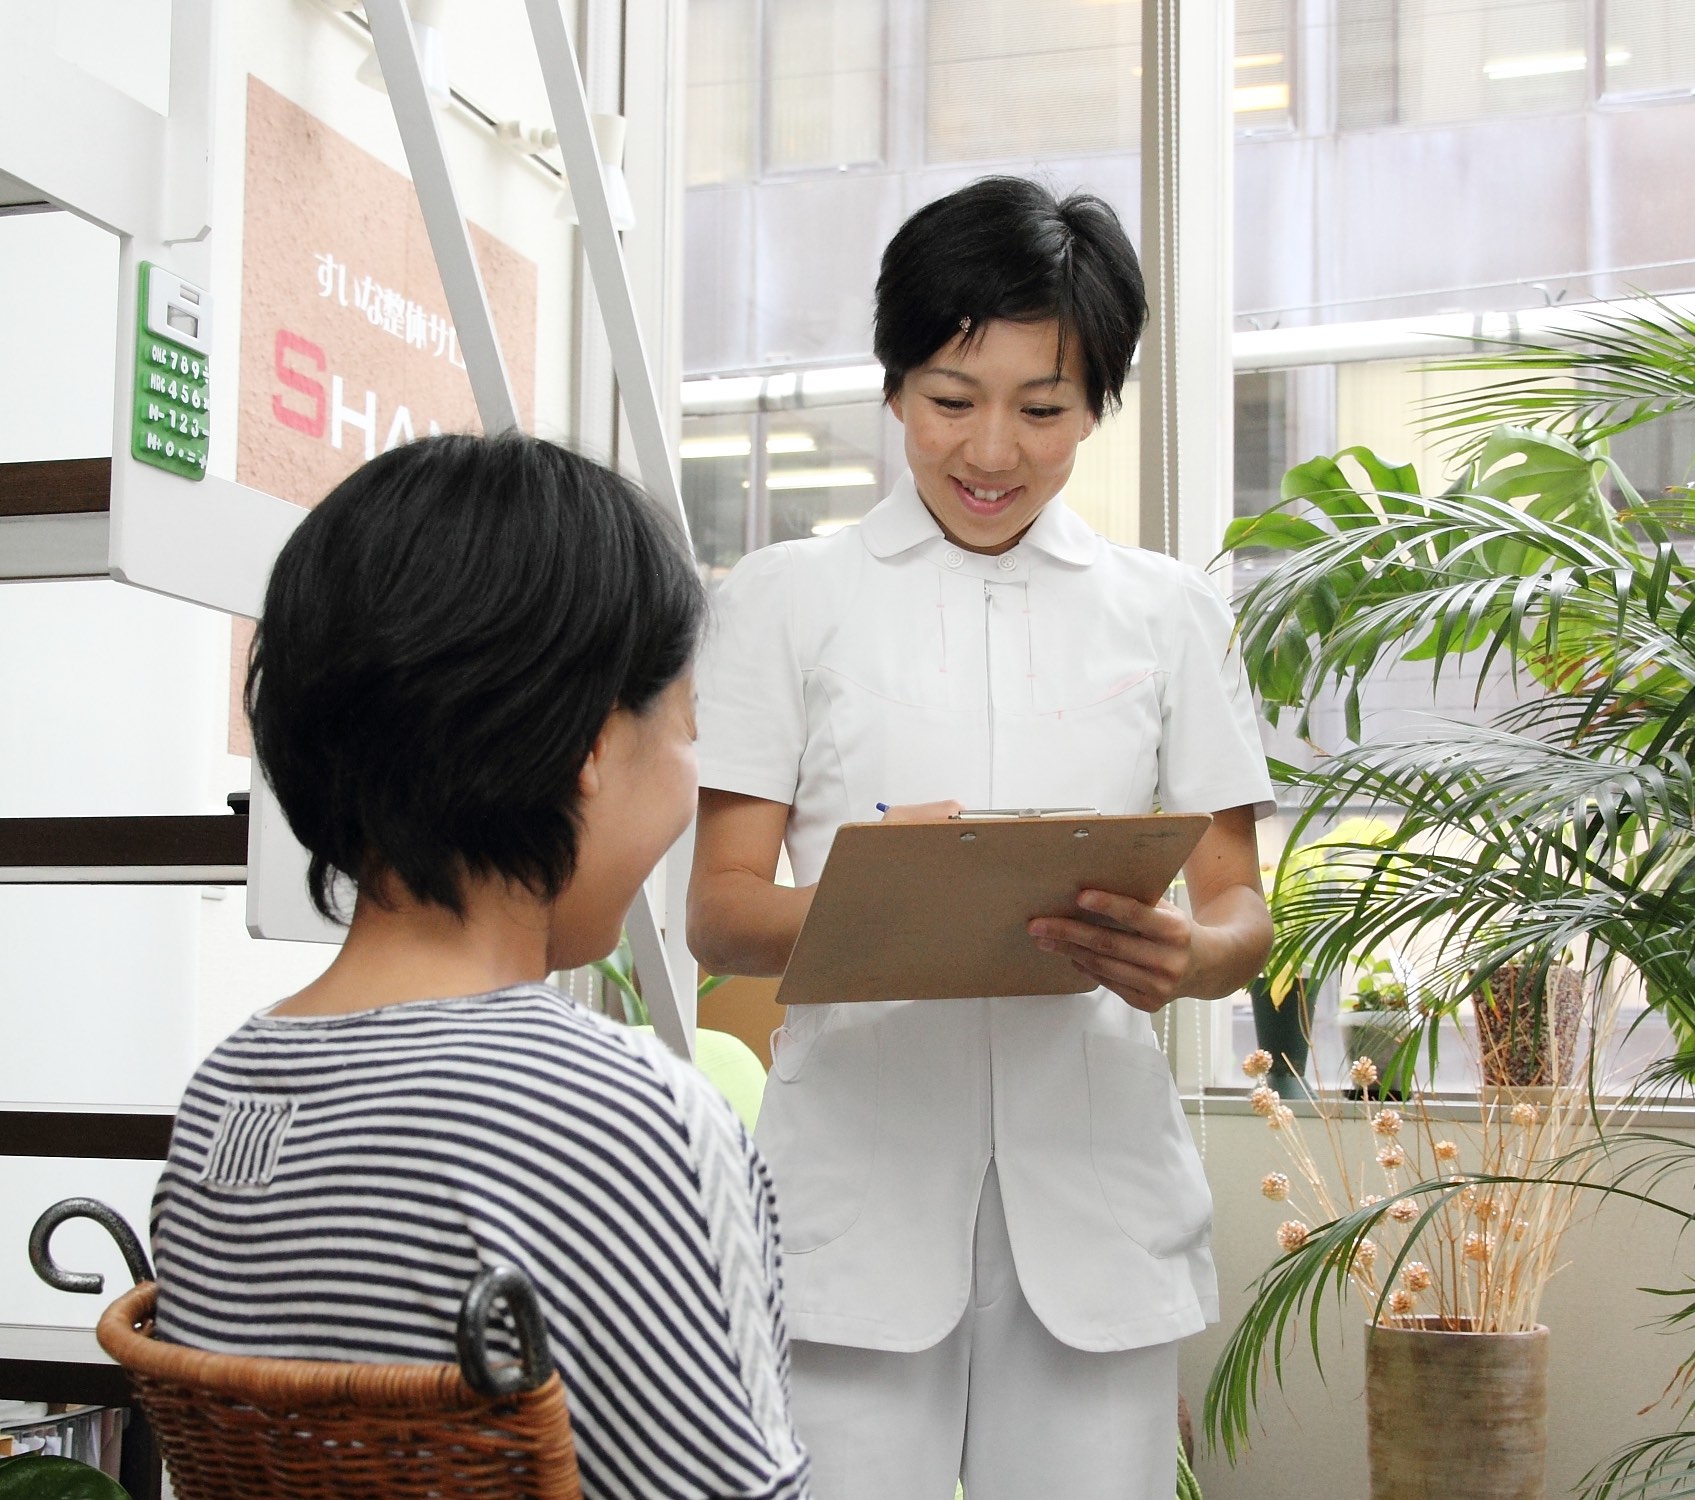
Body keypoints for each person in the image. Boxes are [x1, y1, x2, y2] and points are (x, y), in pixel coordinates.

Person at [688, 177, 1274, 1500]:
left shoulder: (1168, 614)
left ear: (1097, 407)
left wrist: (1181, 954)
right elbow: (719, 910)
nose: (992, 451)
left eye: (1043, 409)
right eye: (952, 400)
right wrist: (886, 902)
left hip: (1094, 1201)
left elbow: (1241, 913)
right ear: (892, 384)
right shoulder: (788, 601)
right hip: (857, 1198)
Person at [150, 433, 811, 1500]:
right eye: (688, 723)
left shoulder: (223, 1100)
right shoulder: (624, 1119)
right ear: (592, 751)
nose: (694, 774)